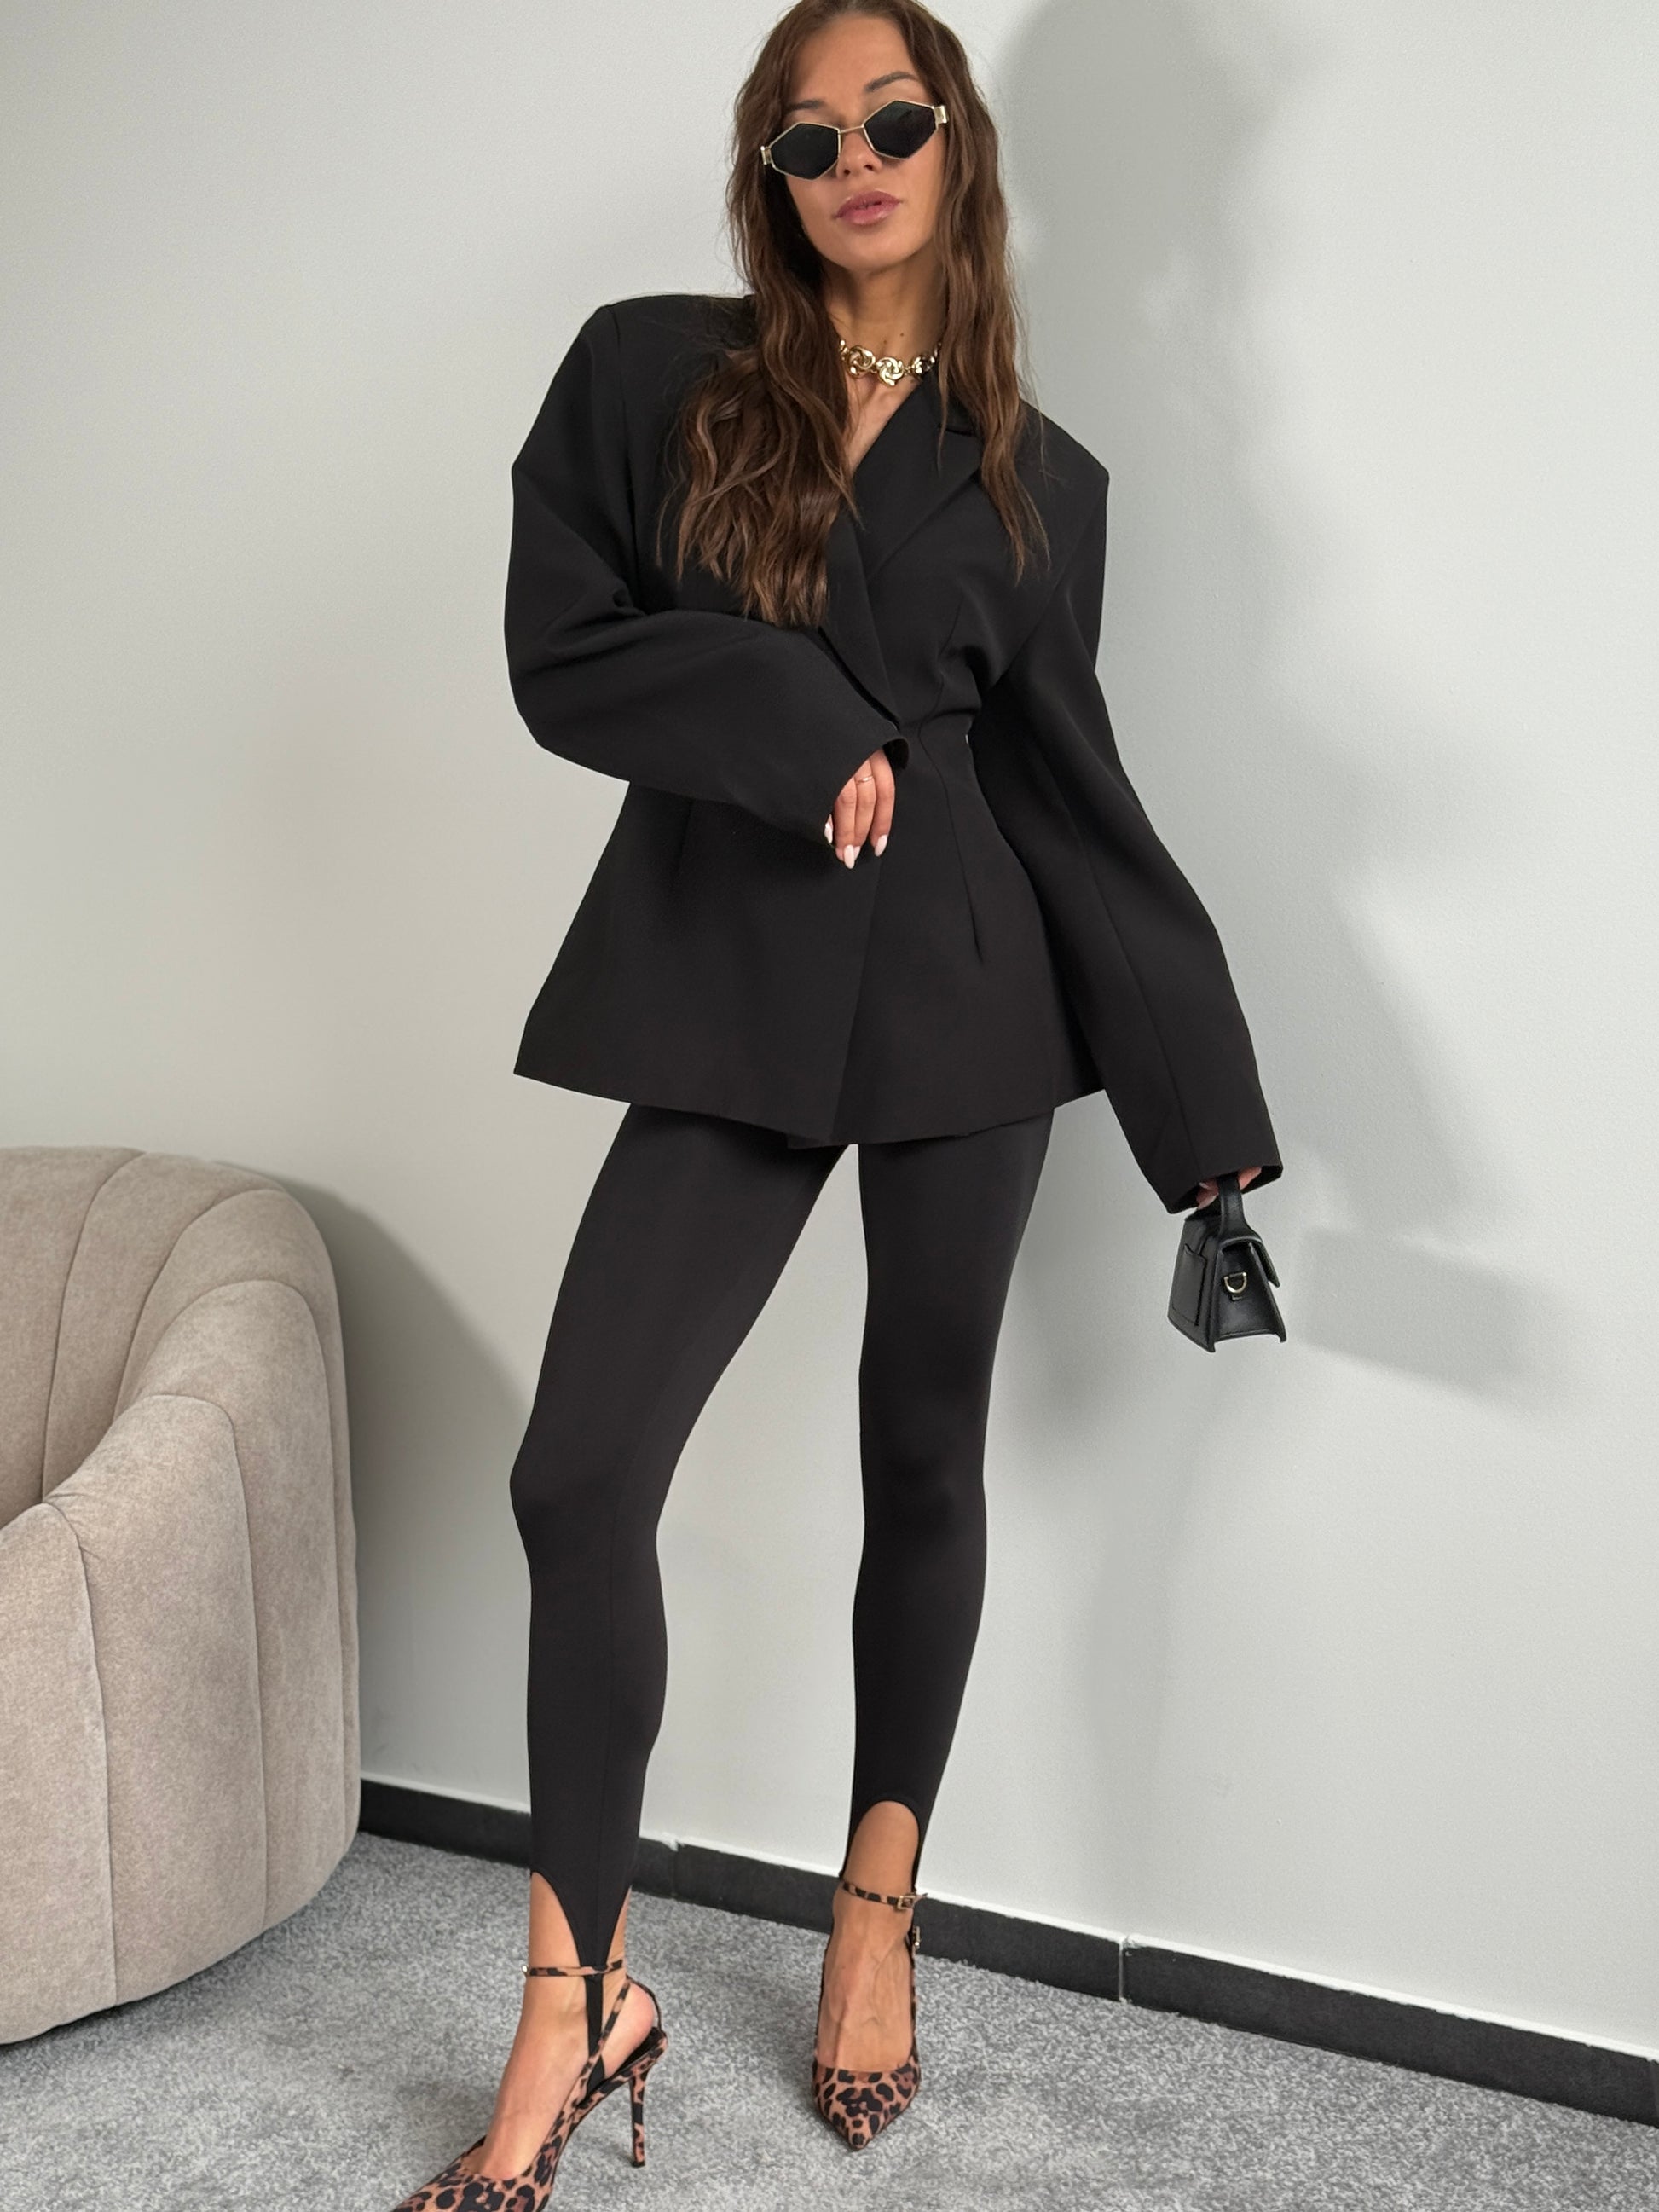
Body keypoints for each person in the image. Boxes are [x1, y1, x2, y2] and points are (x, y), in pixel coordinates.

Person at [390, 2, 1280, 2203]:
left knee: (920, 1451)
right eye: (808, 135)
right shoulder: (653, 377)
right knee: (579, 1471)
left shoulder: (1044, 476)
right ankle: (577, 1995)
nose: (855, 156)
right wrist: (798, 716)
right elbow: (562, 647)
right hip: (729, 982)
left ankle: (875, 1907)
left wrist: (1203, 1135)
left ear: (956, 145)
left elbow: (1074, 798)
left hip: (971, 992)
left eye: (895, 118)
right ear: (767, 175)